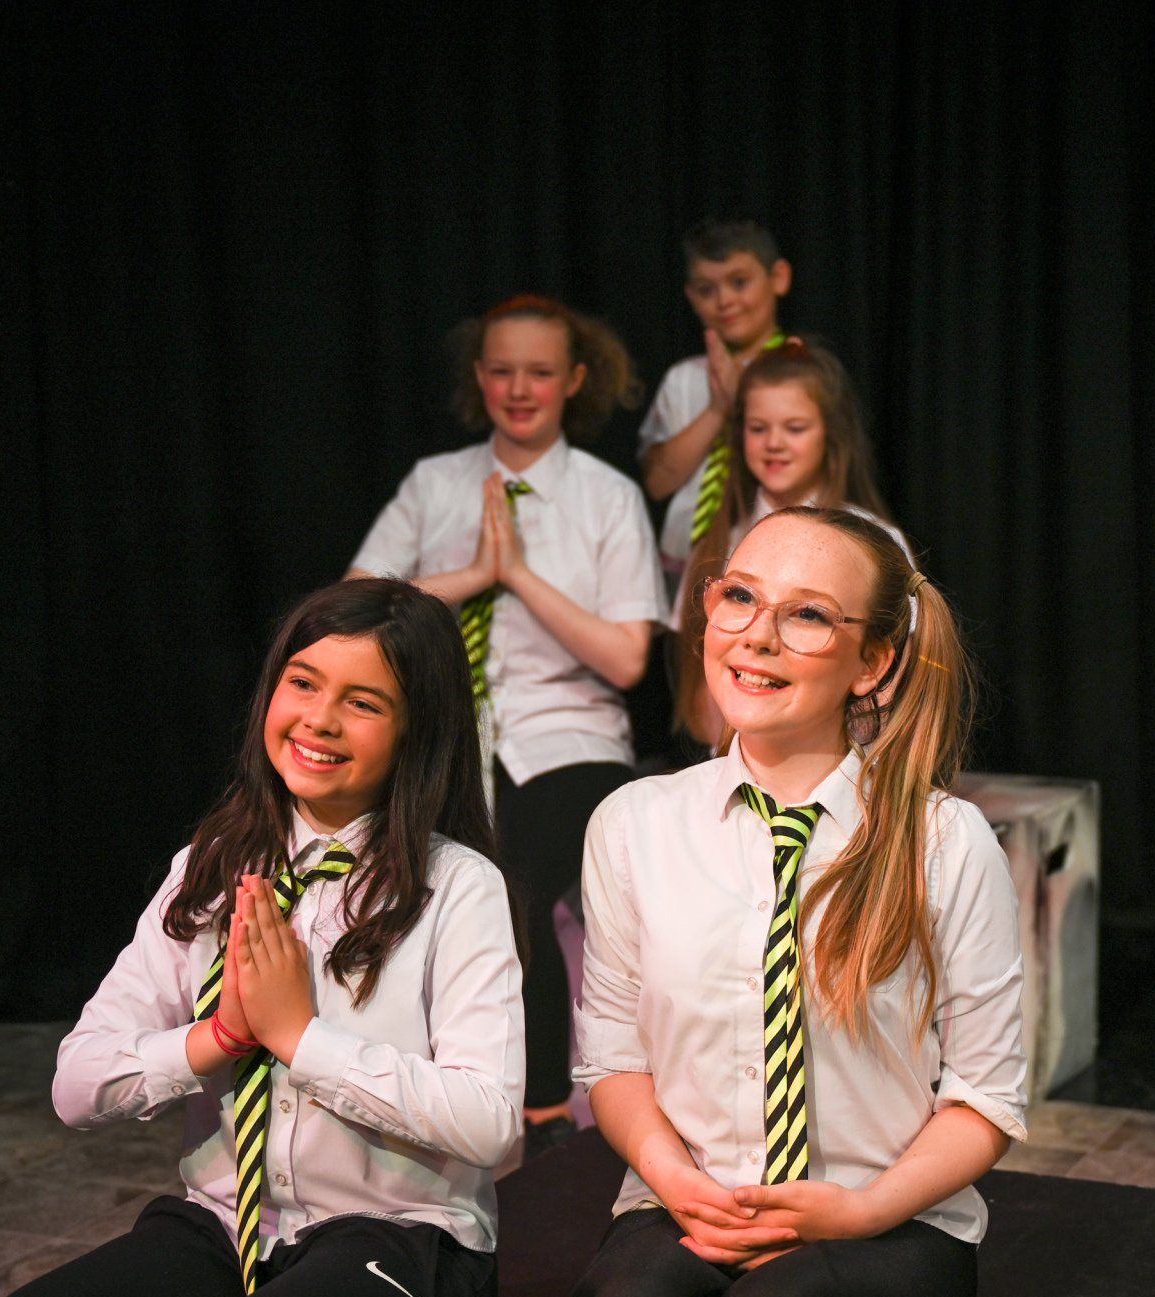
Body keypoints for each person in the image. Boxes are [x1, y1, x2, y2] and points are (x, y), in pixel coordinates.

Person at [0, 578, 523, 1297]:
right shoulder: (213, 865)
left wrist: (301, 1039)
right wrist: (220, 1036)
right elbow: (76, 1084)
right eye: (303, 683)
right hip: (229, 1221)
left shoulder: (457, 886)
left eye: (363, 702)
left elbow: (491, 1120)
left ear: (418, 730)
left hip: (403, 1234)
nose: (320, 718)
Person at [557, 507, 1026, 1297]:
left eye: (807, 614)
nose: (758, 636)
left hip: (886, 1221)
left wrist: (858, 1210)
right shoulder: (633, 823)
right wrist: (678, 1182)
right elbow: (615, 1061)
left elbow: (986, 1098)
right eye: (739, 596)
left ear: (872, 662)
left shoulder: (945, 841)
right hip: (687, 1199)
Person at [348, 295, 666, 1152]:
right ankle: (395, 1082)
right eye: (501, 370)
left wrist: (519, 576)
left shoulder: (605, 495)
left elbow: (627, 658)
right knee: (389, 866)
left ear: (575, 380)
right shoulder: (437, 483)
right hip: (444, 732)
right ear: (478, 377)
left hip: (567, 736)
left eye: (539, 372)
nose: (519, 389)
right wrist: (471, 574)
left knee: (508, 877)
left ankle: (543, 1110)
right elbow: (354, 605)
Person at [672, 341, 909, 743]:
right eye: (758, 428)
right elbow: (699, 677)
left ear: (830, 433)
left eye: (795, 428)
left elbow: (898, 673)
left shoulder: (873, 542)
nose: (774, 443)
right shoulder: (720, 538)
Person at [638, 217, 795, 589]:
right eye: (707, 289)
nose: (724, 301)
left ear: (778, 278)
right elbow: (657, 483)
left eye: (739, 282)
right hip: (686, 569)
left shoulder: (802, 372)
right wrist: (718, 409)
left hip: (779, 567)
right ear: (691, 297)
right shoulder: (683, 379)